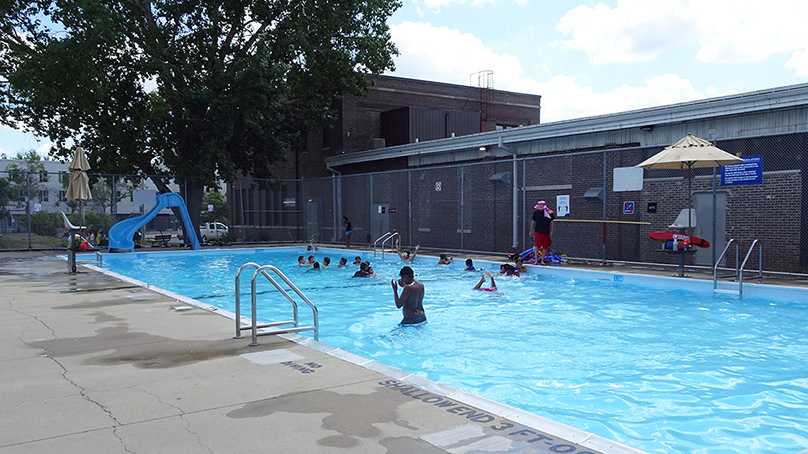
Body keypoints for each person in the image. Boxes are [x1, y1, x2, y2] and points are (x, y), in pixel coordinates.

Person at [529, 200, 556, 265]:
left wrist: (551, 231)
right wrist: (531, 230)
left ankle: (542, 260)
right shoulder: (536, 213)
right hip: (538, 231)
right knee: (537, 246)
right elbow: (533, 222)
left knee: (545, 247)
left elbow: (552, 222)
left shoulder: (549, 213)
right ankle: (536, 260)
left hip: (546, 232)